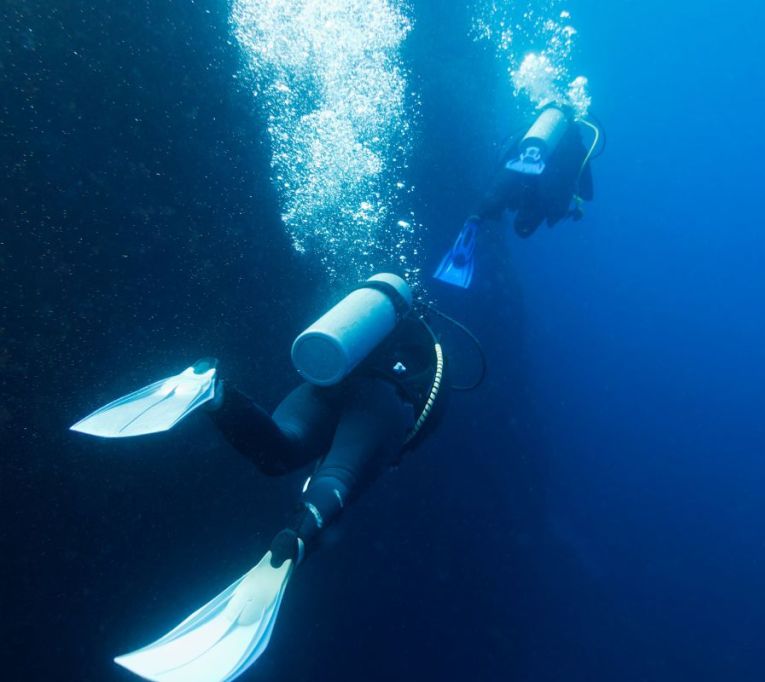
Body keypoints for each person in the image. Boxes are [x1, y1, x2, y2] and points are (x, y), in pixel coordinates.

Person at [70, 274, 478, 682]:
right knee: (341, 474)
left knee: (281, 449)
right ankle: (295, 540)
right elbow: (422, 426)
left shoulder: (366, 330)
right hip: (388, 406)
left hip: (329, 382)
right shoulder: (434, 357)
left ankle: (214, 393)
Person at [434, 104, 601, 288]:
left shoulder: (530, 133)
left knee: (491, 202)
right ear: (575, 121)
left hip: (514, 179)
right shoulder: (578, 147)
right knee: (523, 229)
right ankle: (522, 197)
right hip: (543, 194)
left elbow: (504, 156)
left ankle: (473, 222)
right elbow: (588, 193)